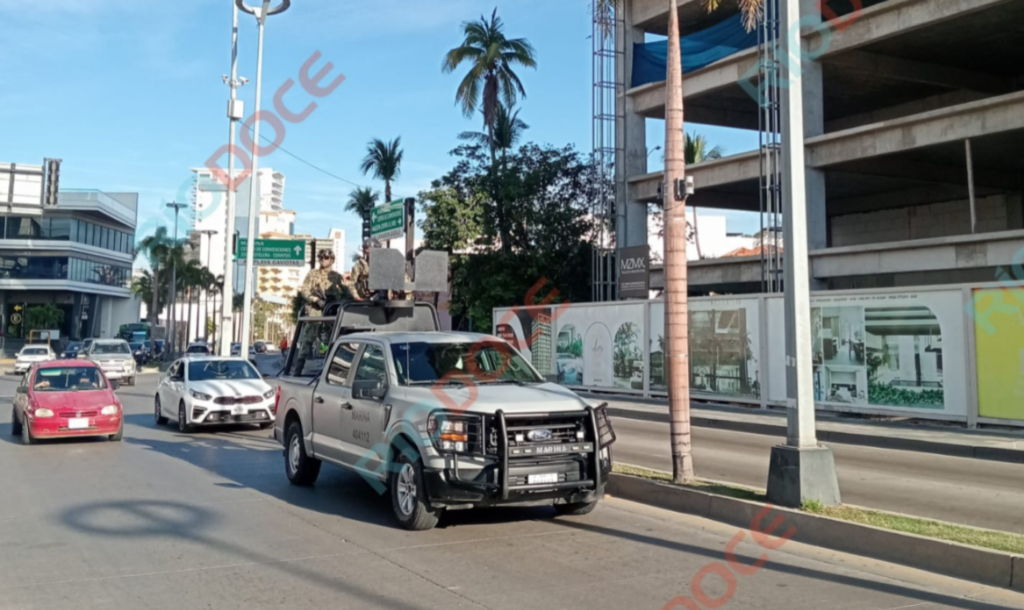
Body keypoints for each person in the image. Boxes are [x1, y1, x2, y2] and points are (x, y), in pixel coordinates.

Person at [295, 249, 345, 374]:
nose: (322, 260)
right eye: (320, 257)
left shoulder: (336, 277)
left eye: (326, 257)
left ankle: (333, 370)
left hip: (331, 311)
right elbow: (304, 290)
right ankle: (298, 368)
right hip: (315, 310)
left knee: (332, 340)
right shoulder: (313, 274)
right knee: (308, 339)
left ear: (332, 260)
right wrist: (315, 299)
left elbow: (346, 292)